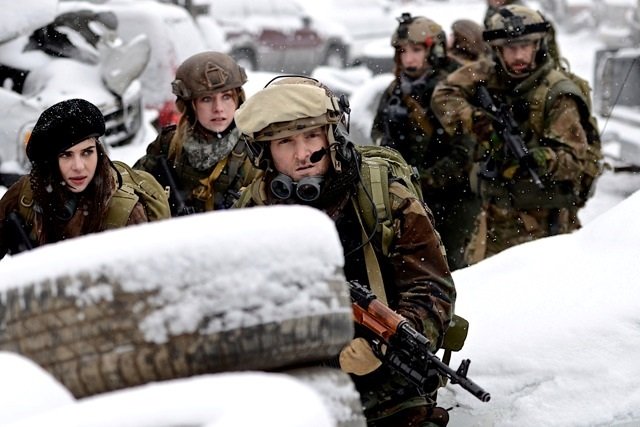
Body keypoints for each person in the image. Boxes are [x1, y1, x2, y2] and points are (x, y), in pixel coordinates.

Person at [233, 76, 456, 427]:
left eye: (311, 136)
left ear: (331, 138)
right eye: (285, 141)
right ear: (265, 152)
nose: (302, 153)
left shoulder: (384, 195)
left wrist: (384, 345)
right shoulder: (252, 214)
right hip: (296, 386)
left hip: (388, 384)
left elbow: (432, 289)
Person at [431, 4, 600, 259]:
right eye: (511, 48)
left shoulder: (557, 94)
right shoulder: (487, 73)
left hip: (545, 222)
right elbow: (443, 94)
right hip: (495, 217)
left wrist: (541, 159)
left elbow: (576, 161)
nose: (519, 56)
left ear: (537, 46)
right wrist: (480, 124)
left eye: (525, 46)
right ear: (498, 50)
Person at [371, 13, 481, 270]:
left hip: (454, 201)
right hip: (410, 199)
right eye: (403, 51)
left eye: (416, 50)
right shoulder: (397, 90)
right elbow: (379, 133)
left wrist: (424, 179)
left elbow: (466, 150)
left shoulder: (454, 87)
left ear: (434, 50)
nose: (409, 58)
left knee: (455, 267)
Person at [0, 98, 170, 259]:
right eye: (66, 155)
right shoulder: (27, 194)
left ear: (99, 152)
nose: (79, 166)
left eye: (87, 152)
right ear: (51, 161)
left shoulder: (125, 212)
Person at [134, 51, 256, 215]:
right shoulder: (170, 144)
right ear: (190, 106)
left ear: (238, 100)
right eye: (206, 99)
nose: (218, 108)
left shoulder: (256, 149)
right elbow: (131, 184)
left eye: (226, 97)